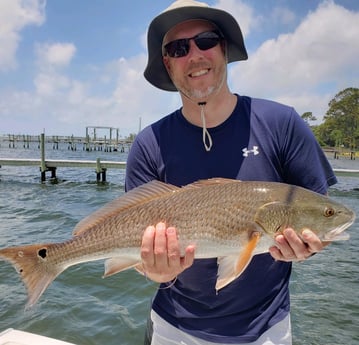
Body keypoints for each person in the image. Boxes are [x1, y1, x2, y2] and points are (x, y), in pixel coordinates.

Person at [125, 1, 337, 344]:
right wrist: (153, 269)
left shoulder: (283, 124)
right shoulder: (148, 144)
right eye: (179, 48)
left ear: (223, 48)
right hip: (173, 328)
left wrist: (309, 246)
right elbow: (139, 253)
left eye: (206, 40)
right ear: (167, 62)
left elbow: (316, 214)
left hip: (267, 329)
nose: (194, 55)